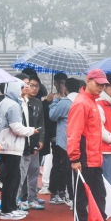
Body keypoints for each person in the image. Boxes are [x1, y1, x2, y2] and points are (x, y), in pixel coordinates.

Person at [68, 69, 111, 221]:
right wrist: (75, 158)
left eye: (103, 84)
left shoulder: (92, 102)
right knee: (81, 198)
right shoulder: (81, 103)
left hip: (94, 158)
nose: (101, 87)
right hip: (83, 158)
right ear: (88, 81)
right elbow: (74, 133)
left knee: (100, 194)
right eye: (98, 83)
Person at [0, 78, 37, 220]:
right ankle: (8, 210)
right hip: (11, 146)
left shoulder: (2, 103)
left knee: (12, 178)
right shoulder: (13, 105)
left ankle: (11, 208)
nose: (24, 89)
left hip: (4, 144)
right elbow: (17, 127)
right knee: (12, 180)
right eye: (21, 87)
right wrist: (31, 130)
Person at [49, 76, 78, 206]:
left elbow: (52, 115)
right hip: (76, 140)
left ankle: (65, 195)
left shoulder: (65, 102)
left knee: (62, 168)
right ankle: (69, 194)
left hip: (63, 141)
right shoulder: (81, 101)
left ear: (66, 87)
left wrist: (55, 100)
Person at [19, 75, 46, 210]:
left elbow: (41, 123)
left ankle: (32, 197)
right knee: (22, 170)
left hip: (34, 140)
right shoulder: (21, 102)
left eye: (36, 86)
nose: (34, 88)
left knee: (34, 169)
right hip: (23, 141)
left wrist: (41, 139)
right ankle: (22, 198)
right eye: (31, 85)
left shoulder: (38, 103)